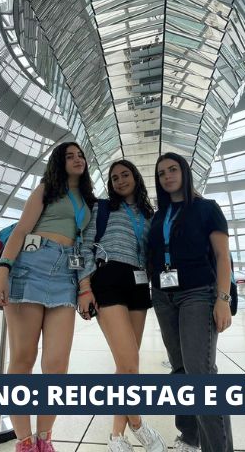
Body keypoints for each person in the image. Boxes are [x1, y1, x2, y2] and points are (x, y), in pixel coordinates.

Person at [0, 142, 96, 452]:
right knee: (23, 359)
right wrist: (2, 269)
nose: (77, 160)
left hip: (66, 274)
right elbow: (22, 229)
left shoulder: (88, 200)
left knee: (56, 364)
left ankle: (44, 438)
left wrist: (84, 285)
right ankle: (23, 441)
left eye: (80, 155)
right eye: (69, 156)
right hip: (31, 265)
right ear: (58, 163)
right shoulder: (47, 188)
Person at [77, 160, 167, 452]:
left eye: (125, 174)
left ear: (136, 177)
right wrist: (85, 287)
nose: (119, 180)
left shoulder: (150, 215)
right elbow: (84, 247)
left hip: (140, 284)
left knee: (125, 365)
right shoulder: (102, 208)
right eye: (114, 177)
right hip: (109, 277)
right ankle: (138, 423)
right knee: (130, 362)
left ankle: (117, 436)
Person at [147, 152, 233, 452]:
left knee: (200, 374)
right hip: (163, 296)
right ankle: (190, 436)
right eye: (161, 173)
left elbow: (223, 257)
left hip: (198, 292)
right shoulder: (159, 216)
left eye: (173, 169)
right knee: (180, 370)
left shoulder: (207, 208)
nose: (168, 176)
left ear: (184, 172)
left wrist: (223, 299)